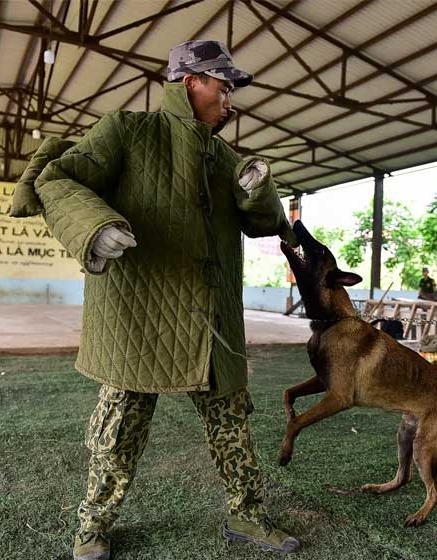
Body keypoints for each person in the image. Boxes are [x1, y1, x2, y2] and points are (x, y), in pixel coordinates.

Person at [31, 40, 301, 560]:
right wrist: (95, 227)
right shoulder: (127, 131)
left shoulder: (224, 156)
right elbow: (55, 178)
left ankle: (246, 515)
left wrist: (258, 189)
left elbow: (264, 224)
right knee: (117, 432)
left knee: (232, 424)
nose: (230, 101)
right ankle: (93, 526)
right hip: (140, 312)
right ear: (190, 82)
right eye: (223, 87)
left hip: (209, 318)